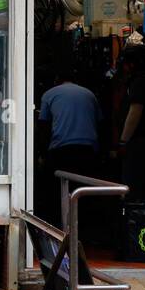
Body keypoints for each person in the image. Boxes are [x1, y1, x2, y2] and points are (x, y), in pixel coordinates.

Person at [38, 65, 102, 226]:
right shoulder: (89, 94)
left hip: (61, 150)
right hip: (87, 149)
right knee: (84, 192)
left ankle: (61, 227)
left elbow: (43, 126)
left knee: (57, 192)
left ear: (56, 80)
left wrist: (42, 154)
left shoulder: (49, 94)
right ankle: (84, 228)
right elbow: (100, 122)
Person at [116, 46, 145, 201]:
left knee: (133, 183)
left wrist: (123, 140)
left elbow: (135, 112)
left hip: (139, 142)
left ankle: (133, 215)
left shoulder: (139, 82)